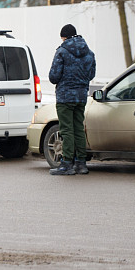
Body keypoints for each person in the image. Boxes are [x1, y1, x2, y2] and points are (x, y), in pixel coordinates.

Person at [48, 24, 96, 176]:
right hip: (81, 96)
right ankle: (81, 164)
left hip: (65, 97)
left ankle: (67, 164)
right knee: (78, 129)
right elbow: (92, 74)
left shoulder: (62, 52)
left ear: (64, 37)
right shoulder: (89, 53)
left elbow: (53, 76)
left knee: (67, 130)